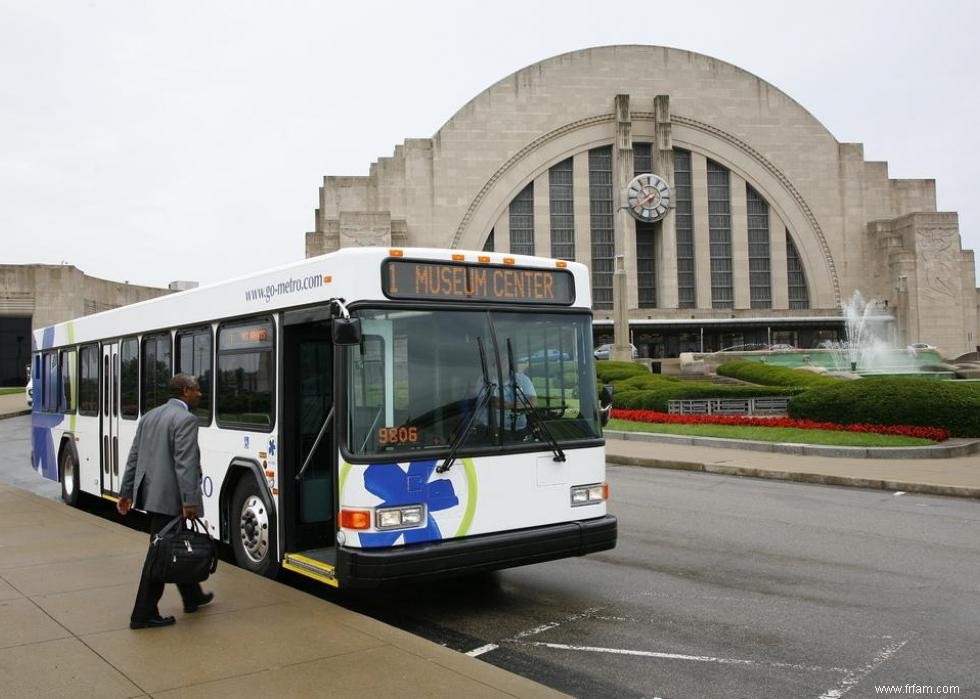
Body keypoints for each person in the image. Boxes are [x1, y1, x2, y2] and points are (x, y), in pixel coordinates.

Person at [117, 373, 213, 629]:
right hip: (171, 499)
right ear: (185, 391)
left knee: (172, 544)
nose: (200, 394)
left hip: (152, 495)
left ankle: (193, 596)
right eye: (196, 389)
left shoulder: (150, 416)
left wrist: (126, 492)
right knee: (160, 555)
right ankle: (142, 614)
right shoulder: (186, 420)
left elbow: (134, 456)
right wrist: (189, 501)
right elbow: (186, 464)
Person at [472, 364, 538, 440]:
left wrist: (521, 406)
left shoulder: (523, 379)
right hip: (489, 430)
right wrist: (513, 406)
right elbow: (492, 401)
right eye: (500, 356)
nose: (502, 359)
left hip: (519, 429)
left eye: (504, 356)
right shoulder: (484, 379)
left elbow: (534, 402)